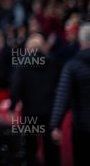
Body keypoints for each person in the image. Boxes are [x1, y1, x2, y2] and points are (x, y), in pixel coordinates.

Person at [9, 33, 61, 166]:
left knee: (30, 149)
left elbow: (16, 86)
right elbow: (59, 87)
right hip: (49, 112)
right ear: (43, 46)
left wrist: (12, 106)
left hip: (30, 113)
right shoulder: (53, 62)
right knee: (51, 148)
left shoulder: (22, 64)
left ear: (28, 48)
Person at [50, 22, 90, 166]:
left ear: (81, 40)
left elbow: (62, 96)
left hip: (82, 127)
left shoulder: (72, 65)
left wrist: (55, 125)